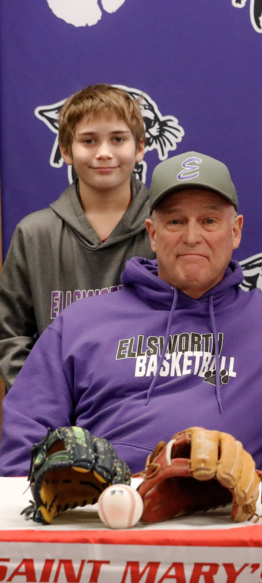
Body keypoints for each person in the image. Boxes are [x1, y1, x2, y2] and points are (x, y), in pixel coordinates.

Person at [0, 151, 262, 475]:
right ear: (152, 234)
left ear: (235, 231)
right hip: (102, 509)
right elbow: (23, 440)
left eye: (209, 220)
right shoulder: (81, 322)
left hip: (219, 512)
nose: (192, 237)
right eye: (175, 221)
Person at [0, 84, 153, 389]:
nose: (104, 153)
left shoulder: (169, 227)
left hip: (147, 405)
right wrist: (43, 398)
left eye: (118, 139)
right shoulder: (34, 234)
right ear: (66, 151)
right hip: (56, 406)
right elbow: (10, 334)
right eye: (89, 140)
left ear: (139, 148)